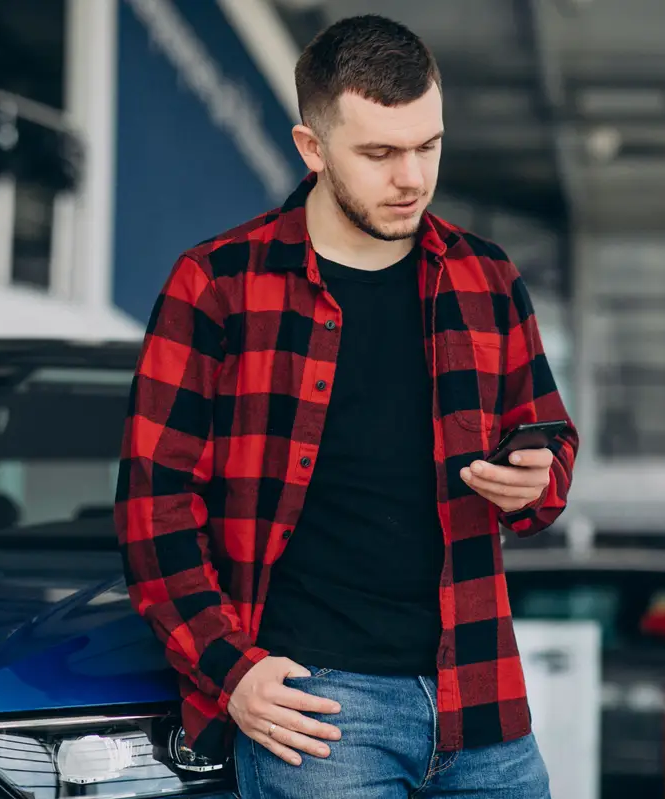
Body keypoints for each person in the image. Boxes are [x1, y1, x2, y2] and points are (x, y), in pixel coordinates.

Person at [115, 13, 578, 798]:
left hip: (483, 706)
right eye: (380, 153)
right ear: (312, 148)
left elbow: (548, 438)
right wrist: (232, 672)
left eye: (428, 145)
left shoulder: (489, 279)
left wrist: (539, 476)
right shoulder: (219, 284)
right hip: (320, 711)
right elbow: (152, 511)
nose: (412, 178)